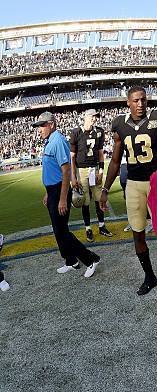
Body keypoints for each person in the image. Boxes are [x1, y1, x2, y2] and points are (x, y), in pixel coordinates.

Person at [100, 87, 157, 296]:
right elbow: (116, 161)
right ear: (128, 102)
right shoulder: (119, 125)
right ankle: (150, 276)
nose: (140, 104)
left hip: (155, 182)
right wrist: (106, 189)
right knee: (138, 233)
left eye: (143, 99)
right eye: (136, 100)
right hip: (134, 184)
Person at [33, 111, 101, 278]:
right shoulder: (50, 141)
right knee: (58, 230)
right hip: (53, 191)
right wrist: (48, 192)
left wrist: (62, 198)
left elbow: (65, 172)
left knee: (62, 231)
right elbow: (53, 170)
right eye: (38, 126)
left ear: (52, 124)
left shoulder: (58, 141)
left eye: (42, 125)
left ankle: (91, 259)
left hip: (59, 191)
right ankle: (71, 261)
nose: (39, 129)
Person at [68, 109, 113, 242]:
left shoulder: (99, 131)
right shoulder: (76, 132)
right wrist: (73, 176)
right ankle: (88, 228)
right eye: (93, 117)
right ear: (86, 117)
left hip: (94, 169)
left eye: (96, 117)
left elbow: (100, 153)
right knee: (85, 201)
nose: (95, 119)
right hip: (81, 170)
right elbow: (72, 157)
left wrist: (101, 171)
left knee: (99, 199)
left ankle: (101, 226)